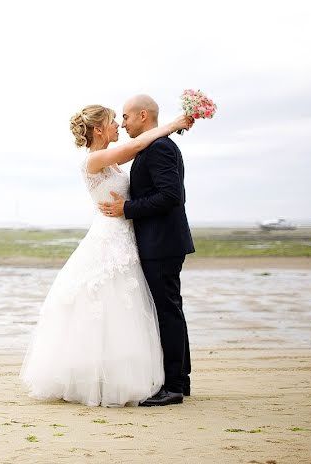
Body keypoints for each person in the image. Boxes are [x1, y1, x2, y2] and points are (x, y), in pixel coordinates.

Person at [19, 104, 192, 407]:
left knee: (134, 307)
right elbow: (137, 145)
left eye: (121, 119)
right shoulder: (95, 159)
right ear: (98, 130)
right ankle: (108, 377)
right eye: (114, 121)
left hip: (126, 237)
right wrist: (175, 123)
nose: (119, 126)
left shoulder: (112, 164)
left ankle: (171, 379)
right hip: (109, 237)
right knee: (106, 305)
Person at [98, 94, 195, 406]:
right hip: (157, 242)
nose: (123, 123)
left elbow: (170, 196)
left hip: (162, 242)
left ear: (143, 115)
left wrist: (126, 208)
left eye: (125, 117)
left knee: (167, 310)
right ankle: (181, 380)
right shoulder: (151, 146)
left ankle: (174, 386)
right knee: (169, 308)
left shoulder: (161, 148)